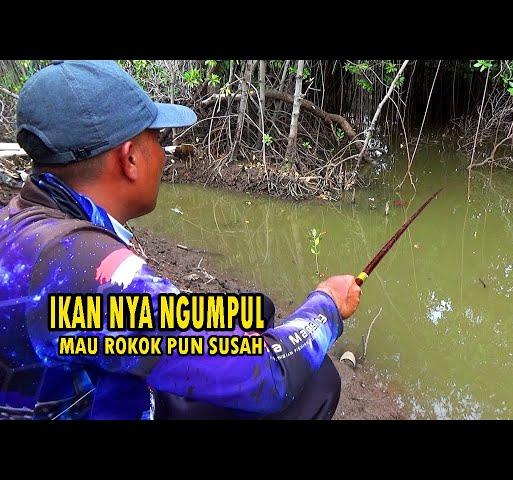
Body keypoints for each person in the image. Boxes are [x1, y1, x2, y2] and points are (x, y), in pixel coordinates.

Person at [0, 60, 361, 420]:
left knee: (254, 312)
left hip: (89, 391)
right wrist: (326, 304)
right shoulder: (85, 267)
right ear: (130, 160)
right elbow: (268, 375)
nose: (163, 154)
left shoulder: (22, 223)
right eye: (157, 139)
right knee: (317, 379)